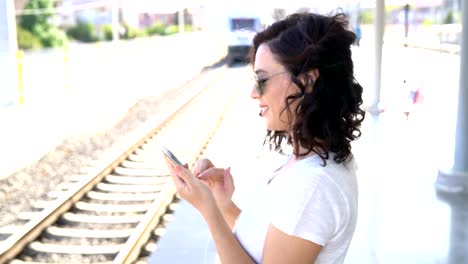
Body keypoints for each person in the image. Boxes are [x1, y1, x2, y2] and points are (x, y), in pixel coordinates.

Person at [165, 11, 365, 264]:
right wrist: (223, 204)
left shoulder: (315, 184)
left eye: (262, 80)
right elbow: (266, 244)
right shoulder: (311, 162)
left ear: (307, 80)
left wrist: (209, 211)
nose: (252, 92)